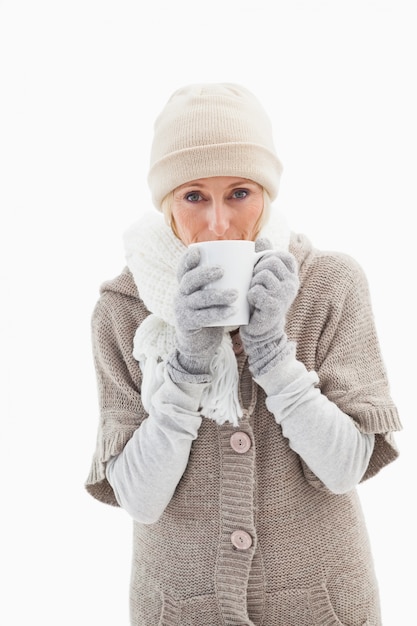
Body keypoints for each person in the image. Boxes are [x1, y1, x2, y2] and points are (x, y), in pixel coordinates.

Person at [85, 83, 402, 626]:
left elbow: (345, 466)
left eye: (239, 193)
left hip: (320, 608)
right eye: (193, 196)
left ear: (267, 195)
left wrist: (272, 352)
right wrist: (185, 365)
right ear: (166, 205)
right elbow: (138, 498)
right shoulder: (124, 310)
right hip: (181, 611)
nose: (217, 224)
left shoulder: (329, 284)